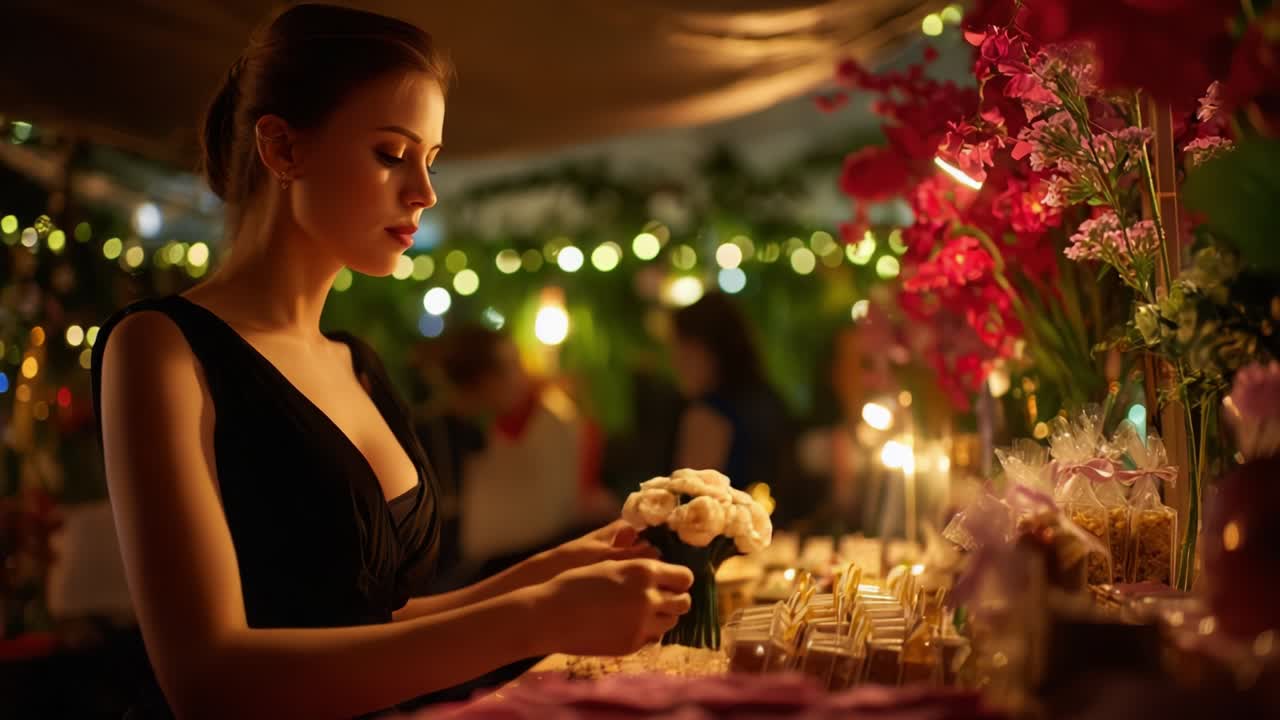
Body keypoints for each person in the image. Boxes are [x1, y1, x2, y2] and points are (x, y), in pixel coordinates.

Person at [90, 5, 692, 718]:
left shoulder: (356, 363)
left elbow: (374, 625)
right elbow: (209, 680)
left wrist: (551, 572)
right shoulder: (164, 347)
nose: (424, 193)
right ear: (283, 149)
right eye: (390, 153)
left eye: (430, 160)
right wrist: (534, 617)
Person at [435, 325, 609, 576]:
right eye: (511, 368)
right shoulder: (460, 429)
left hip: (529, 555)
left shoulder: (550, 416)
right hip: (505, 558)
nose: (523, 375)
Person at [668, 293, 796, 508]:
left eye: (683, 350)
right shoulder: (770, 400)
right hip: (776, 531)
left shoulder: (707, 414)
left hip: (725, 536)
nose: (676, 363)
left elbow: (688, 502)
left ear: (708, 350)